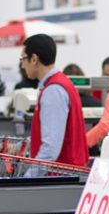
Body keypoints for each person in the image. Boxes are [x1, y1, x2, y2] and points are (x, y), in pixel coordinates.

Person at [20, 34, 88, 166]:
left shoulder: (53, 90)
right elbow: (53, 132)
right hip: (67, 173)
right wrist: (20, 145)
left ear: (34, 59)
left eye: (23, 59)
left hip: (60, 177)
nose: (22, 66)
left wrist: (29, 178)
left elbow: (50, 148)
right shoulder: (61, 83)